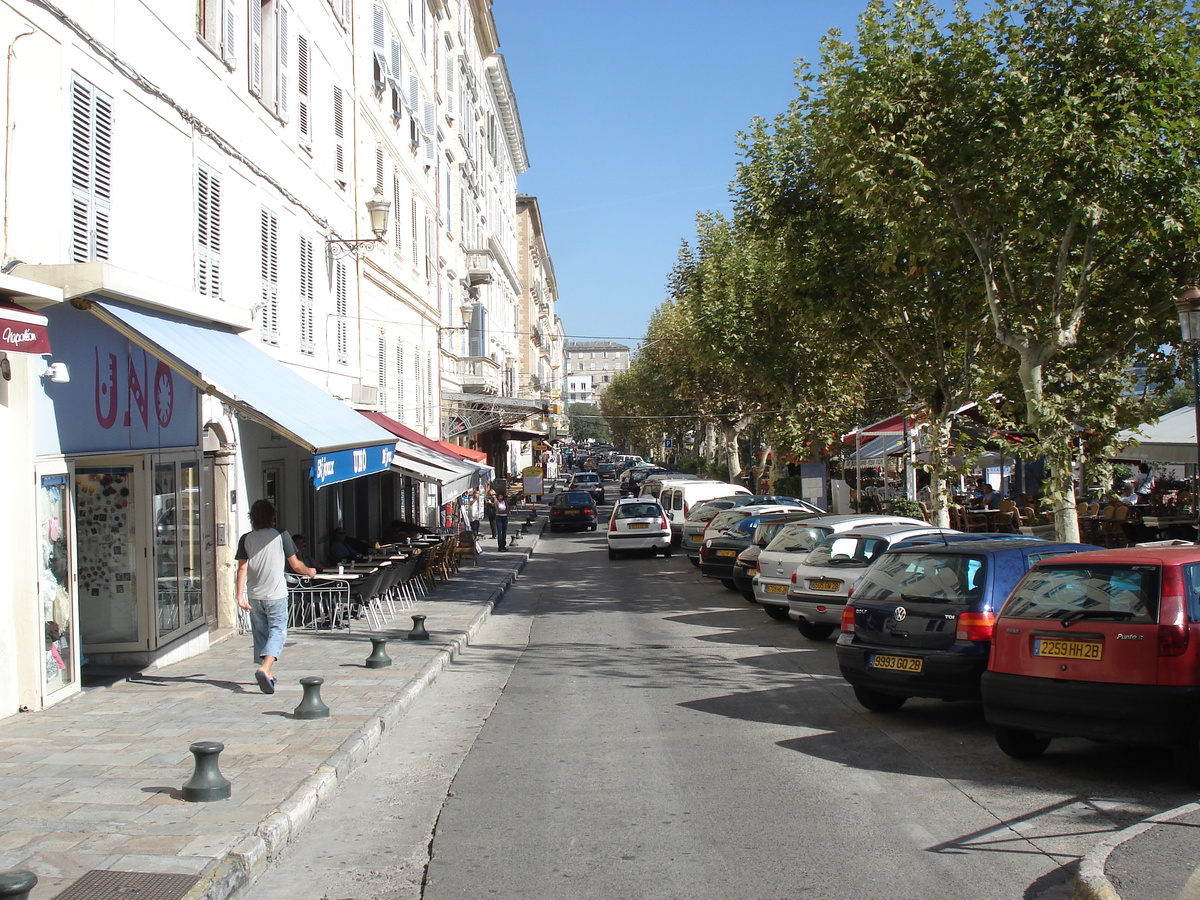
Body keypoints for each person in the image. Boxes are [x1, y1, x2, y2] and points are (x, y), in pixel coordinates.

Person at [236, 499, 314, 694]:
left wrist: (239, 595)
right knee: (278, 631)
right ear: (272, 515)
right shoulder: (281, 535)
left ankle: (268, 673)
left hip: (255, 594)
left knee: (261, 634)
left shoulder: (246, 538)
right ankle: (265, 668)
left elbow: (242, 568)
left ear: (252, 517)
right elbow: (295, 565)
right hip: (276, 594)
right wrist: (310, 571)